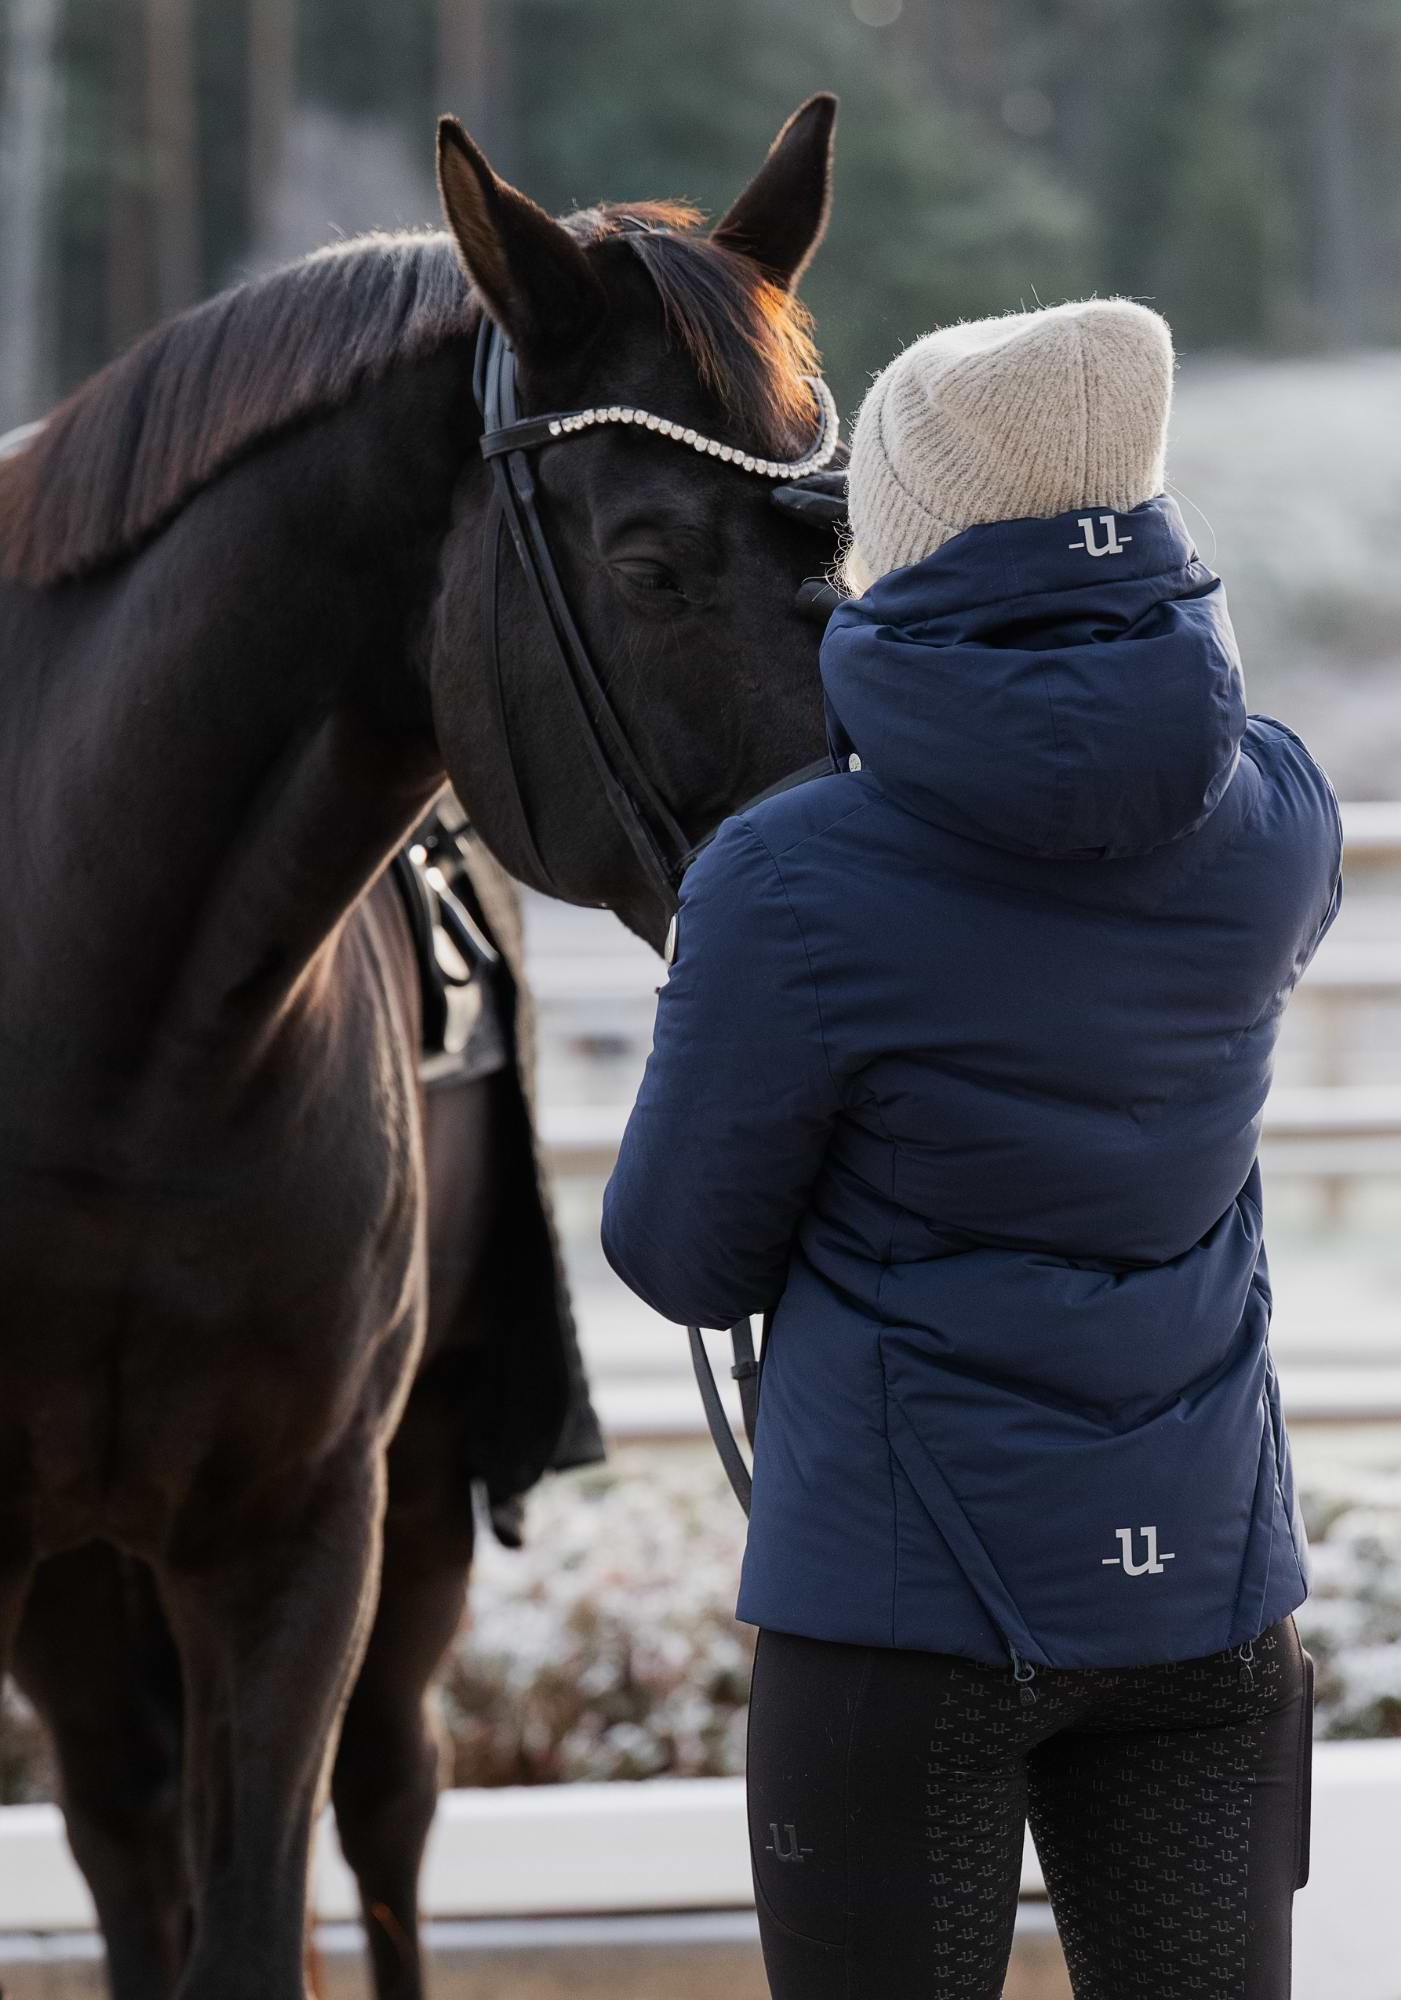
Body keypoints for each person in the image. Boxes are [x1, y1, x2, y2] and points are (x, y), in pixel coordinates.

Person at [601, 298, 1342, 2000]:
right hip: (1208, 1587)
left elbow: (681, 1255)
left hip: (899, 1613)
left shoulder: (788, 880)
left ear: (907, 537)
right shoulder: (1283, 813)